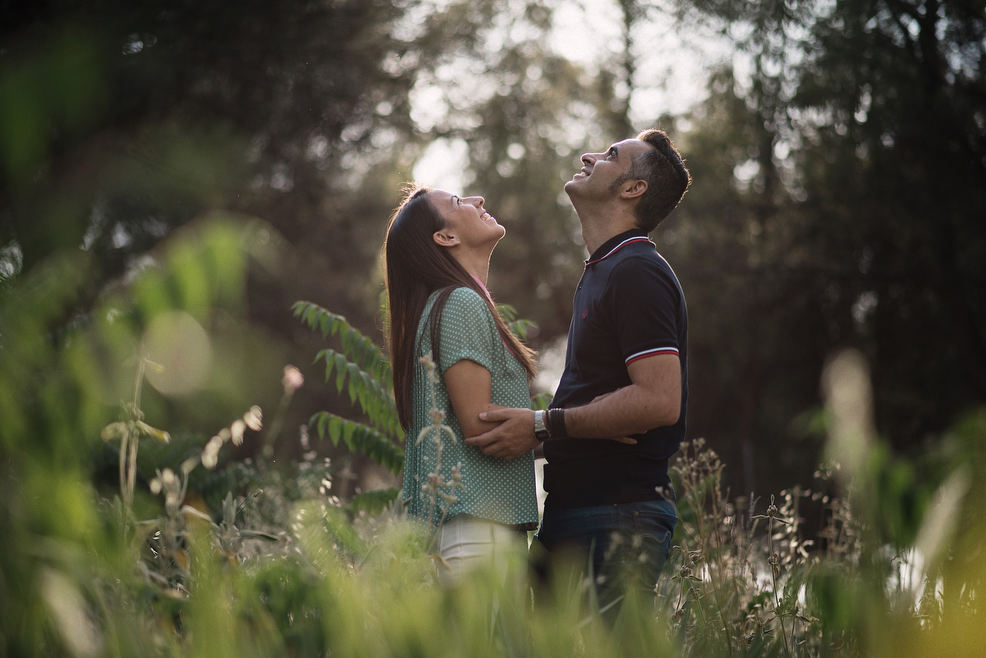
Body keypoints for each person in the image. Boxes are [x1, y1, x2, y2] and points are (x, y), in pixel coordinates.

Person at [466, 129, 691, 618]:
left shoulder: (637, 271)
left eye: (611, 156)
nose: (589, 154)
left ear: (633, 189)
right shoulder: (604, 270)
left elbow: (658, 401)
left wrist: (544, 424)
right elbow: (606, 401)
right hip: (577, 515)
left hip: (616, 519)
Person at [384, 186, 539, 585]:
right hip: (478, 536)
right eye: (458, 203)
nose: (478, 200)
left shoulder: (453, 303)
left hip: (477, 532)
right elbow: (482, 425)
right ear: (445, 237)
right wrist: (572, 429)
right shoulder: (460, 303)